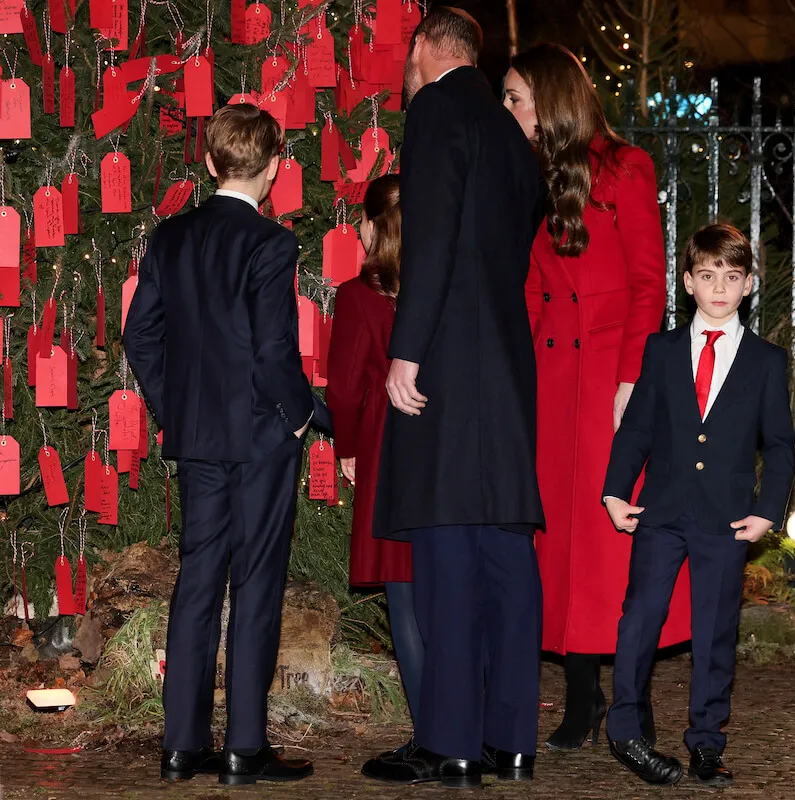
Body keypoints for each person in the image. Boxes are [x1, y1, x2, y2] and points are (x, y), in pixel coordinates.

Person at [362, 7, 545, 790]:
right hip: (505, 366)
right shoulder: (512, 132)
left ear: (428, 51)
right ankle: (511, 740)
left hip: (447, 363)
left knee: (444, 552)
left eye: (407, 59)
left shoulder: (436, 107)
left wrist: (407, 352)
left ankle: (450, 742)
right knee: (505, 552)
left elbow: (430, 236)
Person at [124, 103, 331, 786]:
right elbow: (274, 352)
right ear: (273, 169)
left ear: (209, 162)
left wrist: (172, 405)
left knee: (197, 582)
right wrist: (302, 416)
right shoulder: (271, 244)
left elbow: (139, 336)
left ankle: (181, 744)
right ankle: (244, 745)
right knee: (257, 584)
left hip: (199, 436)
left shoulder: (172, 236)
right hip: (262, 436)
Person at [503, 42, 689, 750]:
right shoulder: (527, 173)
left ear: (551, 98)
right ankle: (581, 696)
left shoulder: (626, 167)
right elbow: (524, 285)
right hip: (552, 382)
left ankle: (629, 700)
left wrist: (634, 383)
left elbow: (650, 282)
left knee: (613, 543)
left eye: (518, 96)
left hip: (612, 376)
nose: (510, 109)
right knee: (563, 543)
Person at [600, 224, 795, 788]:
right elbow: (636, 428)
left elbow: (780, 443)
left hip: (727, 518)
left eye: (731, 278)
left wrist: (768, 510)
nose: (719, 288)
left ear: (748, 285)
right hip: (660, 510)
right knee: (639, 620)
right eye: (707, 276)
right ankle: (627, 729)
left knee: (715, 632)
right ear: (688, 283)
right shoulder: (660, 350)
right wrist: (615, 491)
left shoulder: (766, 360)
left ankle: (706, 742)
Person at [324, 175, 424, 730]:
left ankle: (426, 726)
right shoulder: (442, 286)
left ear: (372, 227)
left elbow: (342, 387)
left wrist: (348, 448)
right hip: (440, 441)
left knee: (402, 590)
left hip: (386, 442)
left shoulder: (359, 295)